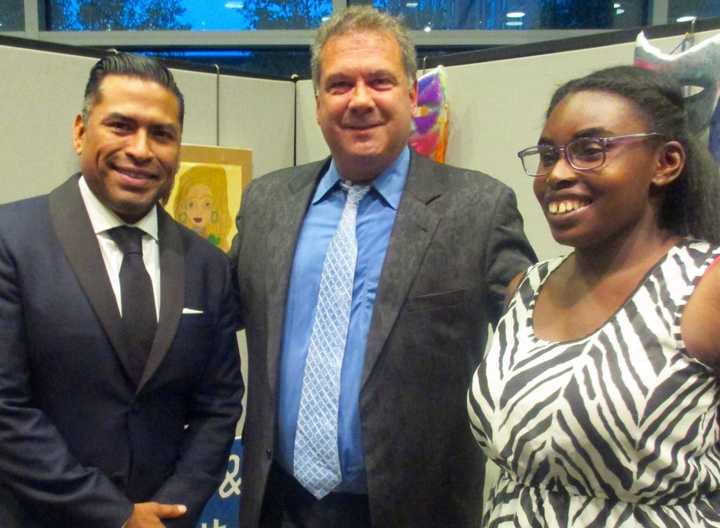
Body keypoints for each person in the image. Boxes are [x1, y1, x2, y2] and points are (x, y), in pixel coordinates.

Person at [231, 6, 535, 527]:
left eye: (380, 81)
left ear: (412, 94)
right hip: (278, 504)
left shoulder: (479, 209)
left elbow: (539, 338)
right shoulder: (267, 203)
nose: (361, 100)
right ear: (318, 101)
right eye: (340, 84)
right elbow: (212, 319)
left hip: (415, 509)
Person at [468, 65, 720, 525]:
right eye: (548, 155)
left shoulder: (705, 287)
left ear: (666, 163)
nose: (557, 174)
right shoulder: (527, 288)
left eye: (590, 150)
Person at [0, 53, 244, 528]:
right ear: (79, 131)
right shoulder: (12, 240)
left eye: (161, 134)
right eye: (120, 125)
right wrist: (115, 515)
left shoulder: (207, 265)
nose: (140, 149)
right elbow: (5, 408)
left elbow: (220, 406)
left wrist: (172, 509)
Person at [172, 165, 233, 251]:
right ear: (183, 207)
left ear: (215, 207)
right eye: (191, 204)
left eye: (206, 204)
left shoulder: (217, 243)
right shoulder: (179, 241)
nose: (198, 211)